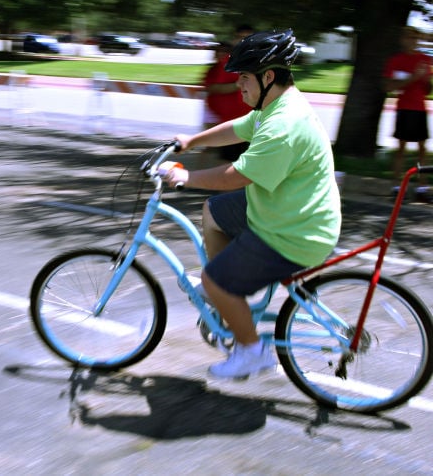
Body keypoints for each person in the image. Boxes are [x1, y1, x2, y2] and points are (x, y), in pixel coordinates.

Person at [159, 29, 342, 379]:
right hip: (285, 208)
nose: (238, 85)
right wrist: (191, 141)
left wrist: (185, 177)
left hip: (293, 231)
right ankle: (226, 292)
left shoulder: (284, 125)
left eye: (244, 77)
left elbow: (233, 177)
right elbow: (237, 128)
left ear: (267, 76)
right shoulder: (275, 104)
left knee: (215, 281)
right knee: (213, 212)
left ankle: (251, 350)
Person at [383, 26, 432, 202]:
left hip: (420, 109)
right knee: (401, 150)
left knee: (422, 151)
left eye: (415, 38)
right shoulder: (396, 60)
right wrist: (413, 77)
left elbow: (427, 90)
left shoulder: (425, 60)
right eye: (409, 38)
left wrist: (425, 80)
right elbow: (389, 87)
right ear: (402, 40)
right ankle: (397, 188)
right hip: (404, 109)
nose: (412, 41)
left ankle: (422, 188)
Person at [203, 41, 251, 161]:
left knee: (242, 155)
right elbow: (214, 88)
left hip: (243, 119)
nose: (221, 54)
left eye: (225, 51)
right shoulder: (216, 69)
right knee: (228, 156)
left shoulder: (241, 66)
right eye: (219, 51)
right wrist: (238, 84)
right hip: (227, 120)